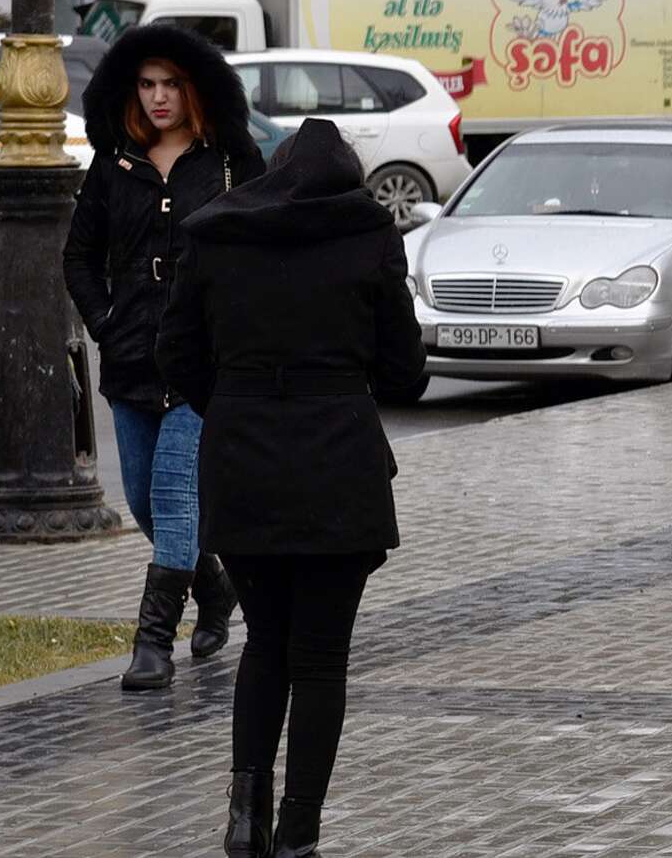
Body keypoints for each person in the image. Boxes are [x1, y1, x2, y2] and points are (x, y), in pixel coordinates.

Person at [157, 120, 426, 858]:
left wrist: (236, 402)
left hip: (242, 461)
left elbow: (175, 352)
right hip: (337, 464)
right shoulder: (368, 232)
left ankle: (246, 819)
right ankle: (298, 832)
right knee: (319, 659)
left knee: (264, 645)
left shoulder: (217, 233)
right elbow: (404, 371)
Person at [63, 24, 266, 692]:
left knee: (176, 497)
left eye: (170, 84)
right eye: (147, 85)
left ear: (193, 89)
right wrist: (104, 320)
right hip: (129, 363)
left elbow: (265, 249)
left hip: (202, 365)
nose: (158, 97)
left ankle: (152, 645)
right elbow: (79, 257)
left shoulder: (229, 161)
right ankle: (215, 588)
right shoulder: (115, 163)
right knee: (148, 506)